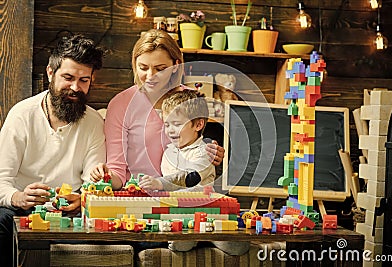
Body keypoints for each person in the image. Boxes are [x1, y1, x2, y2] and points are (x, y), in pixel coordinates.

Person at [90, 29, 249, 256]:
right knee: (153, 240)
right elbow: (118, 171)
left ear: (176, 65)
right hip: (145, 204)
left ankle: (202, 234)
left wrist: (212, 154)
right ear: (134, 65)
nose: (150, 75)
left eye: (160, 68)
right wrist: (105, 176)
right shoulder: (121, 105)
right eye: (143, 67)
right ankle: (196, 236)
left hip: (190, 196)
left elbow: (199, 144)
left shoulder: (191, 100)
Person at [0, 34, 106, 266]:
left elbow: (93, 182)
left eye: (84, 80)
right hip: (20, 210)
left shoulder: (94, 122)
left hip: (70, 215)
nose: (75, 88)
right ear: (51, 72)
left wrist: (81, 198)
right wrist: (18, 197)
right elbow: (1, 180)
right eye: (68, 77)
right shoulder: (22, 115)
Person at [138, 89, 215, 192]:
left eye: (177, 124)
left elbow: (190, 177)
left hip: (199, 206)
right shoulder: (169, 152)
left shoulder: (205, 152)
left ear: (198, 125)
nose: (170, 130)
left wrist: (160, 183)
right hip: (173, 205)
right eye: (167, 125)